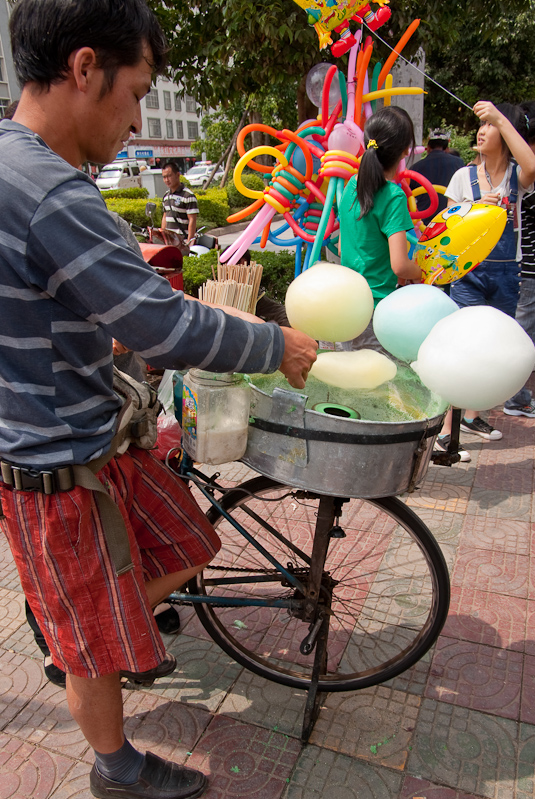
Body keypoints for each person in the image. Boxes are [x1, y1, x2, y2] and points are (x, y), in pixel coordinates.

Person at [0, 4, 317, 799]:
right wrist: (276, 346)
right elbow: (162, 324)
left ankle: (84, 631)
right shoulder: (50, 193)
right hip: (54, 466)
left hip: (94, 436)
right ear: (83, 69)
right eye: (135, 91)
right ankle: (116, 763)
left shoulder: (19, 167)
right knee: (90, 642)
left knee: (187, 541)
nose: (137, 117)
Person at [440, 101, 535, 441]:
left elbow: (532, 165)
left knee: (491, 345)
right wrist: (476, 209)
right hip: (468, 274)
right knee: (462, 345)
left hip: (508, 274)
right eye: (480, 125)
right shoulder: (462, 176)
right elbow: (447, 229)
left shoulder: (516, 176)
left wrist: (500, 116)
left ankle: (472, 416)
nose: (482, 130)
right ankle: (448, 427)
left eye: (490, 125)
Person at [339, 105, 422, 350]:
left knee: (353, 379)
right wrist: (423, 272)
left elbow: (346, 247)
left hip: (345, 303)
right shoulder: (393, 196)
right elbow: (399, 265)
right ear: (406, 150)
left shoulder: (351, 186)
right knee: (379, 382)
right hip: (376, 309)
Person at [513, 102, 535, 370]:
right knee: (522, 336)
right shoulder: (519, 179)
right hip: (526, 269)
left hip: (521, 271)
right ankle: (516, 398)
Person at [410, 128, 464, 225]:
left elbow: (409, 196)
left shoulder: (415, 167)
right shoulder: (459, 163)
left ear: (428, 147)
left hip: (423, 223)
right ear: (446, 148)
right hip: (449, 219)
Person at [162, 160, 198, 244]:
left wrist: (190, 242)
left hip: (182, 243)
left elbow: (192, 220)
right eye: (164, 177)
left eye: (169, 176)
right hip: (170, 243)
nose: (167, 180)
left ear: (178, 175)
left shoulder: (188, 196)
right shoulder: (166, 196)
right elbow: (165, 217)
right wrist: (163, 237)